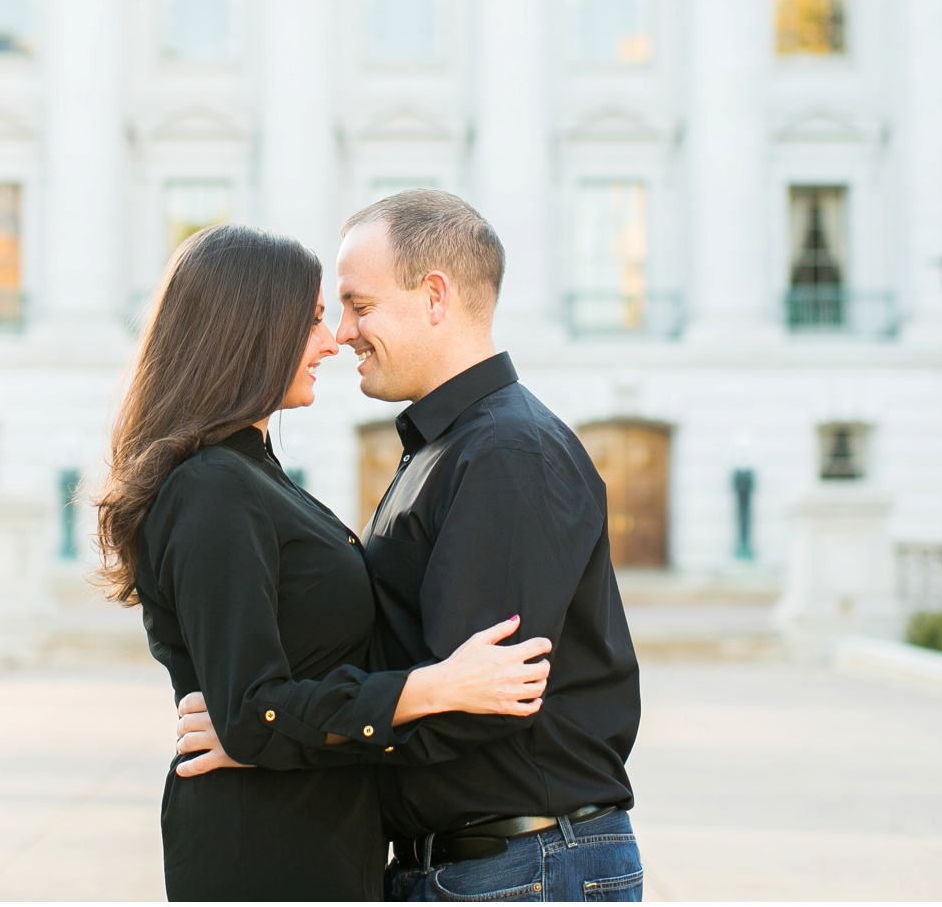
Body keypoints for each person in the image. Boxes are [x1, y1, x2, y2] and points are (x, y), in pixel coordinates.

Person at [175, 190, 645, 902]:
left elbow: (473, 700)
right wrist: (270, 717)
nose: (343, 332)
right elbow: (428, 673)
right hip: (489, 865)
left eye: (359, 305)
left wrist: (271, 733)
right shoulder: (449, 447)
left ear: (434, 297)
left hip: (522, 865)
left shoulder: (505, 452)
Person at [94, 222, 554, 901]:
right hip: (270, 846)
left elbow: (255, 715)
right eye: (310, 320)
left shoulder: (254, 477)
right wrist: (440, 687)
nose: (332, 340)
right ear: (250, 330)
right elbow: (253, 711)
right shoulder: (214, 486)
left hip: (317, 830)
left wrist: (264, 730)